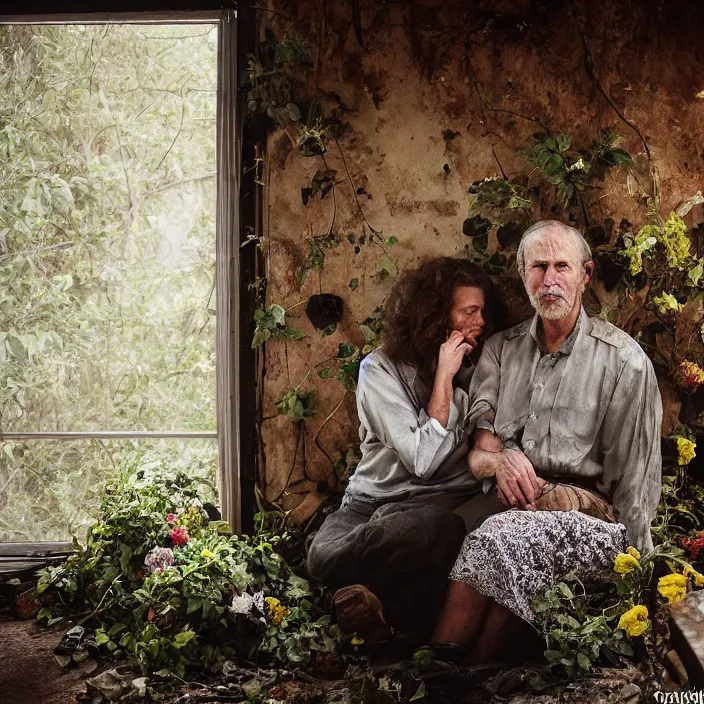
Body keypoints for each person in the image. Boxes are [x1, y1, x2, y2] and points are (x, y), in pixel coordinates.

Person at [430, 220, 663, 661]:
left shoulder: (625, 363)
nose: (550, 279)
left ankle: (446, 669)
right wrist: (500, 463)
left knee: (500, 536)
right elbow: (479, 453)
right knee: (455, 534)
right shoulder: (500, 351)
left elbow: (636, 489)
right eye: (539, 267)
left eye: (562, 266)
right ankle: (456, 673)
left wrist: (636, 584)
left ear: (586, 275)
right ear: (523, 273)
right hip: (514, 505)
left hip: (595, 522)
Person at [306, 257, 505, 643]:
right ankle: (380, 597)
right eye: (469, 311)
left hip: (445, 508)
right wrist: (444, 377)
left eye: (484, 312)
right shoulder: (378, 370)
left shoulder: (484, 368)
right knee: (321, 556)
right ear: (436, 315)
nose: (480, 322)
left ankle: (380, 614)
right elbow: (422, 459)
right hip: (372, 505)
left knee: (440, 530)